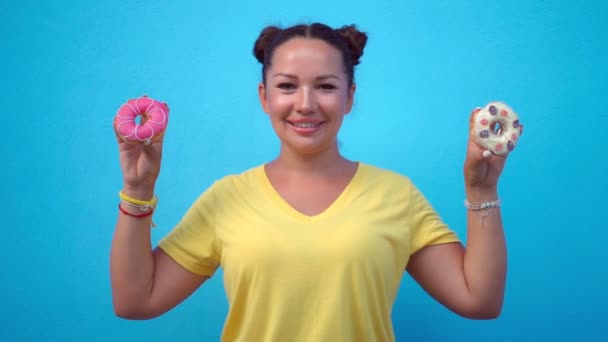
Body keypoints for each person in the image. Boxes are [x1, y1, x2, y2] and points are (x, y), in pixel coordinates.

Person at [111, 22, 513, 342]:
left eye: (325, 86)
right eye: (287, 86)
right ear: (264, 96)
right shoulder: (226, 198)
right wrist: (138, 190)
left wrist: (482, 190)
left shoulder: (395, 194)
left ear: (349, 97)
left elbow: (480, 301)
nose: (305, 104)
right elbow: (134, 301)